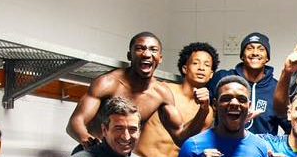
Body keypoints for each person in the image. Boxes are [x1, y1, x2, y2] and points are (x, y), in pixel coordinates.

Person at [66, 32, 209, 149]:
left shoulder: (161, 93)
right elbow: (75, 123)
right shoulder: (108, 83)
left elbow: (180, 137)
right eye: (140, 48)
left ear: (160, 58)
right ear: (130, 55)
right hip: (90, 153)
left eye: (153, 50)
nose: (147, 54)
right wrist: (89, 142)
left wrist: (203, 110)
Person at [137, 41, 217, 157]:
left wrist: (203, 109)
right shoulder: (164, 91)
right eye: (196, 63)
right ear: (184, 68)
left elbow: (190, 145)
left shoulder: (209, 112)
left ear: (211, 74)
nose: (201, 68)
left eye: (207, 65)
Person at [210, 31, 281, 135]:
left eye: (261, 49)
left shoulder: (277, 88)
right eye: (249, 48)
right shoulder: (223, 78)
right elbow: (201, 105)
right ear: (242, 56)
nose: (255, 52)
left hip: (262, 149)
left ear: (267, 58)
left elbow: (290, 125)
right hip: (225, 146)